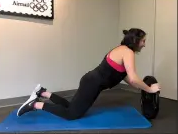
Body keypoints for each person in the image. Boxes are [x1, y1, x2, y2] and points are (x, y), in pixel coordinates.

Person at [17, 28, 161, 120]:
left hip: (90, 81)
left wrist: (142, 88)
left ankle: (43, 93)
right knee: (71, 114)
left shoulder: (122, 50)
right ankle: (34, 104)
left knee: (70, 106)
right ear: (136, 41)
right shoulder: (127, 51)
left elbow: (128, 78)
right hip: (92, 83)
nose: (144, 44)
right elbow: (134, 78)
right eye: (143, 41)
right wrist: (150, 89)